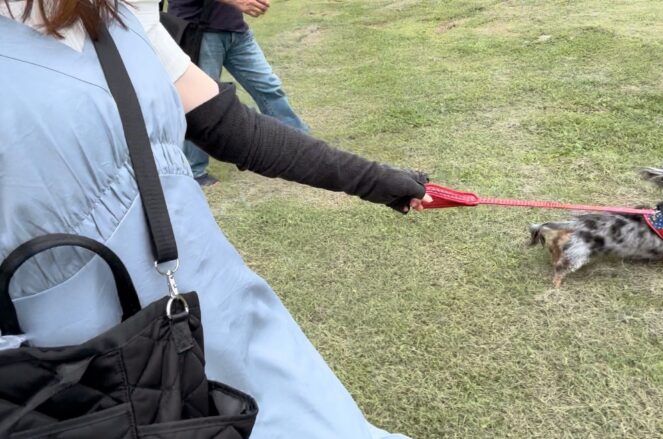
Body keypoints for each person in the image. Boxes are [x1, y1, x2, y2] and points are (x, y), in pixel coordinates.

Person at [0, 0, 430, 437]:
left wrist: (376, 180)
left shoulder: (117, 13)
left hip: (218, 308)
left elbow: (231, 127)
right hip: (84, 364)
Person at [168, 0, 308, 186]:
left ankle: (298, 143)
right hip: (199, 30)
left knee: (268, 86)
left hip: (235, 28)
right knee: (200, 103)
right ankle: (194, 170)